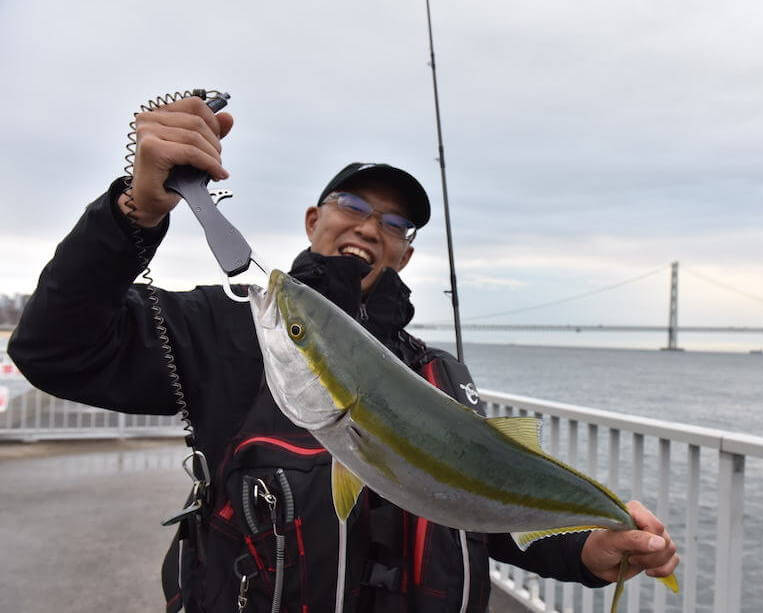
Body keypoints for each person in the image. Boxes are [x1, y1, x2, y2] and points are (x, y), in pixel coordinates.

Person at [9, 96, 679, 612]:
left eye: (394, 222)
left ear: (406, 253)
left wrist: (589, 551)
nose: (369, 225)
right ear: (313, 218)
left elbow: (477, 513)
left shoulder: (437, 373)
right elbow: (55, 348)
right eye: (352, 204)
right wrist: (135, 211)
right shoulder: (230, 325)